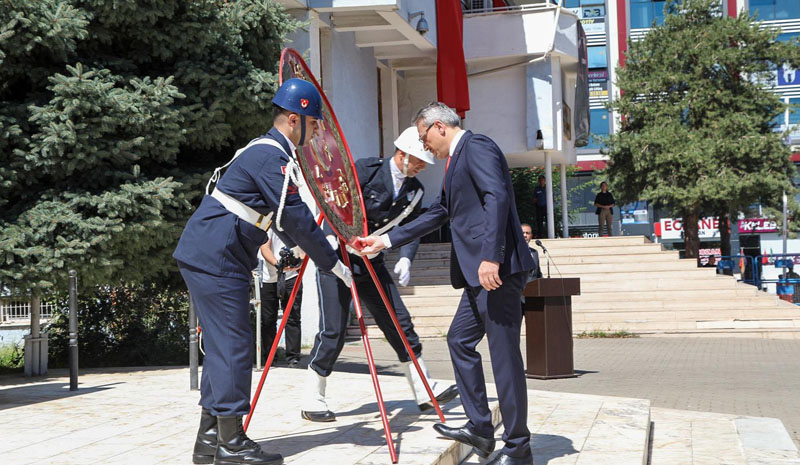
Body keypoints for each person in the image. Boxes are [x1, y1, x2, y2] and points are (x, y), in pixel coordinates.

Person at [174, 78, 353, 465]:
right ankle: (231, 443)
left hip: (217, 252)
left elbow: (266, 216)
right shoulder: (271, 155)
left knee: (226, 345)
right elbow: (297, 218)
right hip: (216, 256)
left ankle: (209, 442)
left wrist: (285, 252)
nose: (318, 128)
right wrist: (332, 262)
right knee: (235, 346)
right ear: (293, 119)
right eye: (313, 121)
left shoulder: (267, 153)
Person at [360, 102, 536, 465]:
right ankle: (480, 430)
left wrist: (492, 256)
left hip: (495, 271)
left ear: (439, 127)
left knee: (504, 357)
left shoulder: (477, 147)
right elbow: (441, 211)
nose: (425, 148)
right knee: (458, 340)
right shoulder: (457, 161)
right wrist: (386, 241)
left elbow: (497, 197)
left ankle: (519, 448)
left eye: (425, 138)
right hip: (479, 275)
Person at [302, 126, 459, 422]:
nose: (423, 166)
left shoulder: (415, 191)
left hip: (371, 261)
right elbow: (336, 201)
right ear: (402, 154)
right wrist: (332, 235)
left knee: (399, 322)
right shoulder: (365, 170)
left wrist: (406, 259)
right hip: (337, 256)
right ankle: (314, 396)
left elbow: (410, 230)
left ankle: (424, 389)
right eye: (419, 160)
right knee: (333, 330)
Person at [258, 231, 303, 368]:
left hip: (292, 276)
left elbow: (305, 246)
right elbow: (265, 248)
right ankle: (270, 358)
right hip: (268, 277)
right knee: (267, 320)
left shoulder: (295, 221)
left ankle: (293, 358)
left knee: (293, 317)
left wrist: (299, 262)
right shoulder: (270, 223)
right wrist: (278, 265)